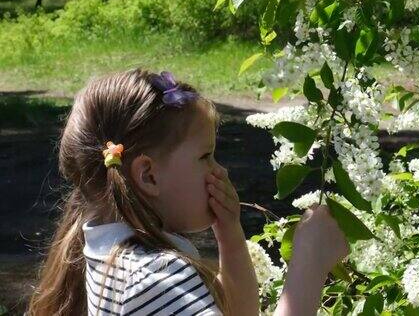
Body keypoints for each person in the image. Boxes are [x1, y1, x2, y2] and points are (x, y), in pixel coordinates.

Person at [26, 68, 349, 316]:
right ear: (148, 176)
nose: (220, 171)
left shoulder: (108, 255)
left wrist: (231, 238)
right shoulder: (155, 277)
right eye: (205, 156)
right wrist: (309, 263)